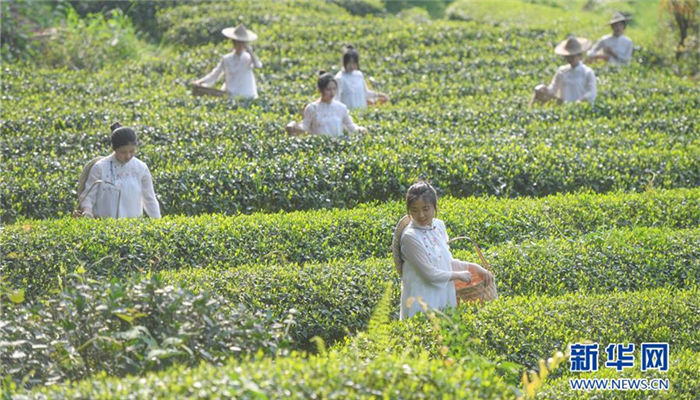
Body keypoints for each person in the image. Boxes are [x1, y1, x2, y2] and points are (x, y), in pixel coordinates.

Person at [396, 181, 493, 320]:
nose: (421, 215)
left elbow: (445, 262)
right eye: (414, 210)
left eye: (426, 208)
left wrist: (476, 268)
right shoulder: (410, 237)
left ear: (434, 206)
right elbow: (429, 274)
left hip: (443, 295)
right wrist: (458, 275)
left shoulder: (439, 226)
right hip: (422, 299)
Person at [79, 122, 161, 219]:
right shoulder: (100, 167)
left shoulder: (140, 168)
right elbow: (88, 196)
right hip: (104, 225)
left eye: (132, 151)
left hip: (132, 226)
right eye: (123, 152)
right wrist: (87, 211)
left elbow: (149, 198)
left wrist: (157, 222)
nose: (128, 156)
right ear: (114, 149)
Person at [286, 71, 367, 137]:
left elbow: (350, 126)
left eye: (334, 89)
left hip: (337, 146)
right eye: (328, 89)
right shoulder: (312, 108)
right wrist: (294, 126)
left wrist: (360, 129)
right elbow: (305, 127)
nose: (332, 93)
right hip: (319, 148)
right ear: (320, 90)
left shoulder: (341, 107)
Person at [193, 24, 262, 99]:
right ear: (233, 43)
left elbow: (258, 65)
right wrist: (200, 82)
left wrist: (250, 51)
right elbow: (215, 75)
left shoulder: (248, 58)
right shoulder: (226, 59)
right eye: (237, 43)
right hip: (231, 95)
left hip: (247, 96)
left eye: (242, 43)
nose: (239, 46)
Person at [532, 36, 597, 105]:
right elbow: (553, 89)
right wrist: (544, 90)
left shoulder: (587, 72)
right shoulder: (562, 71)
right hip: (562, 106)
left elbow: (592, 92)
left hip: (579, 107)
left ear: (579, 56)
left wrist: (581, 101)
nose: (570, 59)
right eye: (568, 56)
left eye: (572, 56)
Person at [334, 45, 389, 110]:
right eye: (349, 63)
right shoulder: (339, 78)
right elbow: (336, 99)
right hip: (348, 114)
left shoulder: (359, 75)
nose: (351, 66)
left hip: (362, 112)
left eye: (354, 63)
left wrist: (378, 95)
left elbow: (365, 93)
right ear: (344, 63)